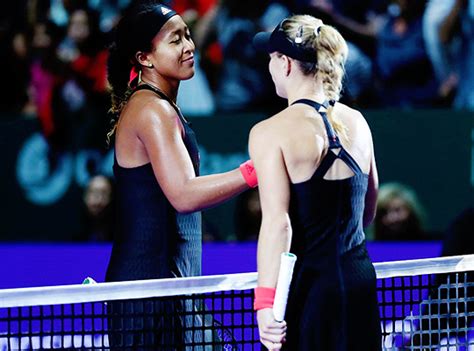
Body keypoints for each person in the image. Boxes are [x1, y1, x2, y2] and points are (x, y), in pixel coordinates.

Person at [105, 2, 256, 348]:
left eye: (188, 35)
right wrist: (254, 171)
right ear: (145, 58)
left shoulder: (159, 105)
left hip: (169, 285)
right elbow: (184, 194)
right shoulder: (152, 110)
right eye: (175, 41)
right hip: (148, 289)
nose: (189, 46)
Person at [250, 15, 381, 350]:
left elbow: (278, 225)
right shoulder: (359, 122)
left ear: (286, 63)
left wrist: (265, 304)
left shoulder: (269, 131)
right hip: (359, 283)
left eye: (271, 57)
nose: (269, 65)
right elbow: (367, 208)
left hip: (309, 290)